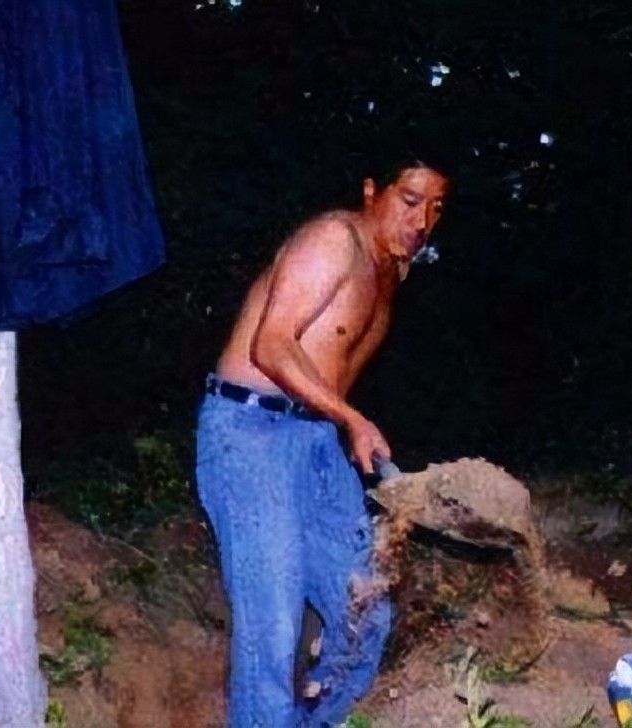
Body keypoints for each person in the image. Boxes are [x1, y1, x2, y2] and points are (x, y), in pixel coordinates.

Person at [196, 160, 449, 727]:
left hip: (314, 441)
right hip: (251, 433)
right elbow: (271, 346)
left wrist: (343, 429)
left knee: (365, 613)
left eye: (436, 209)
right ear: (371, 191)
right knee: (273, 626)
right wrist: (353, 420)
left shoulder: (392, 272)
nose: (422, 221)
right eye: (410, 201)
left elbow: (332, 366)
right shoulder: (334, 240)